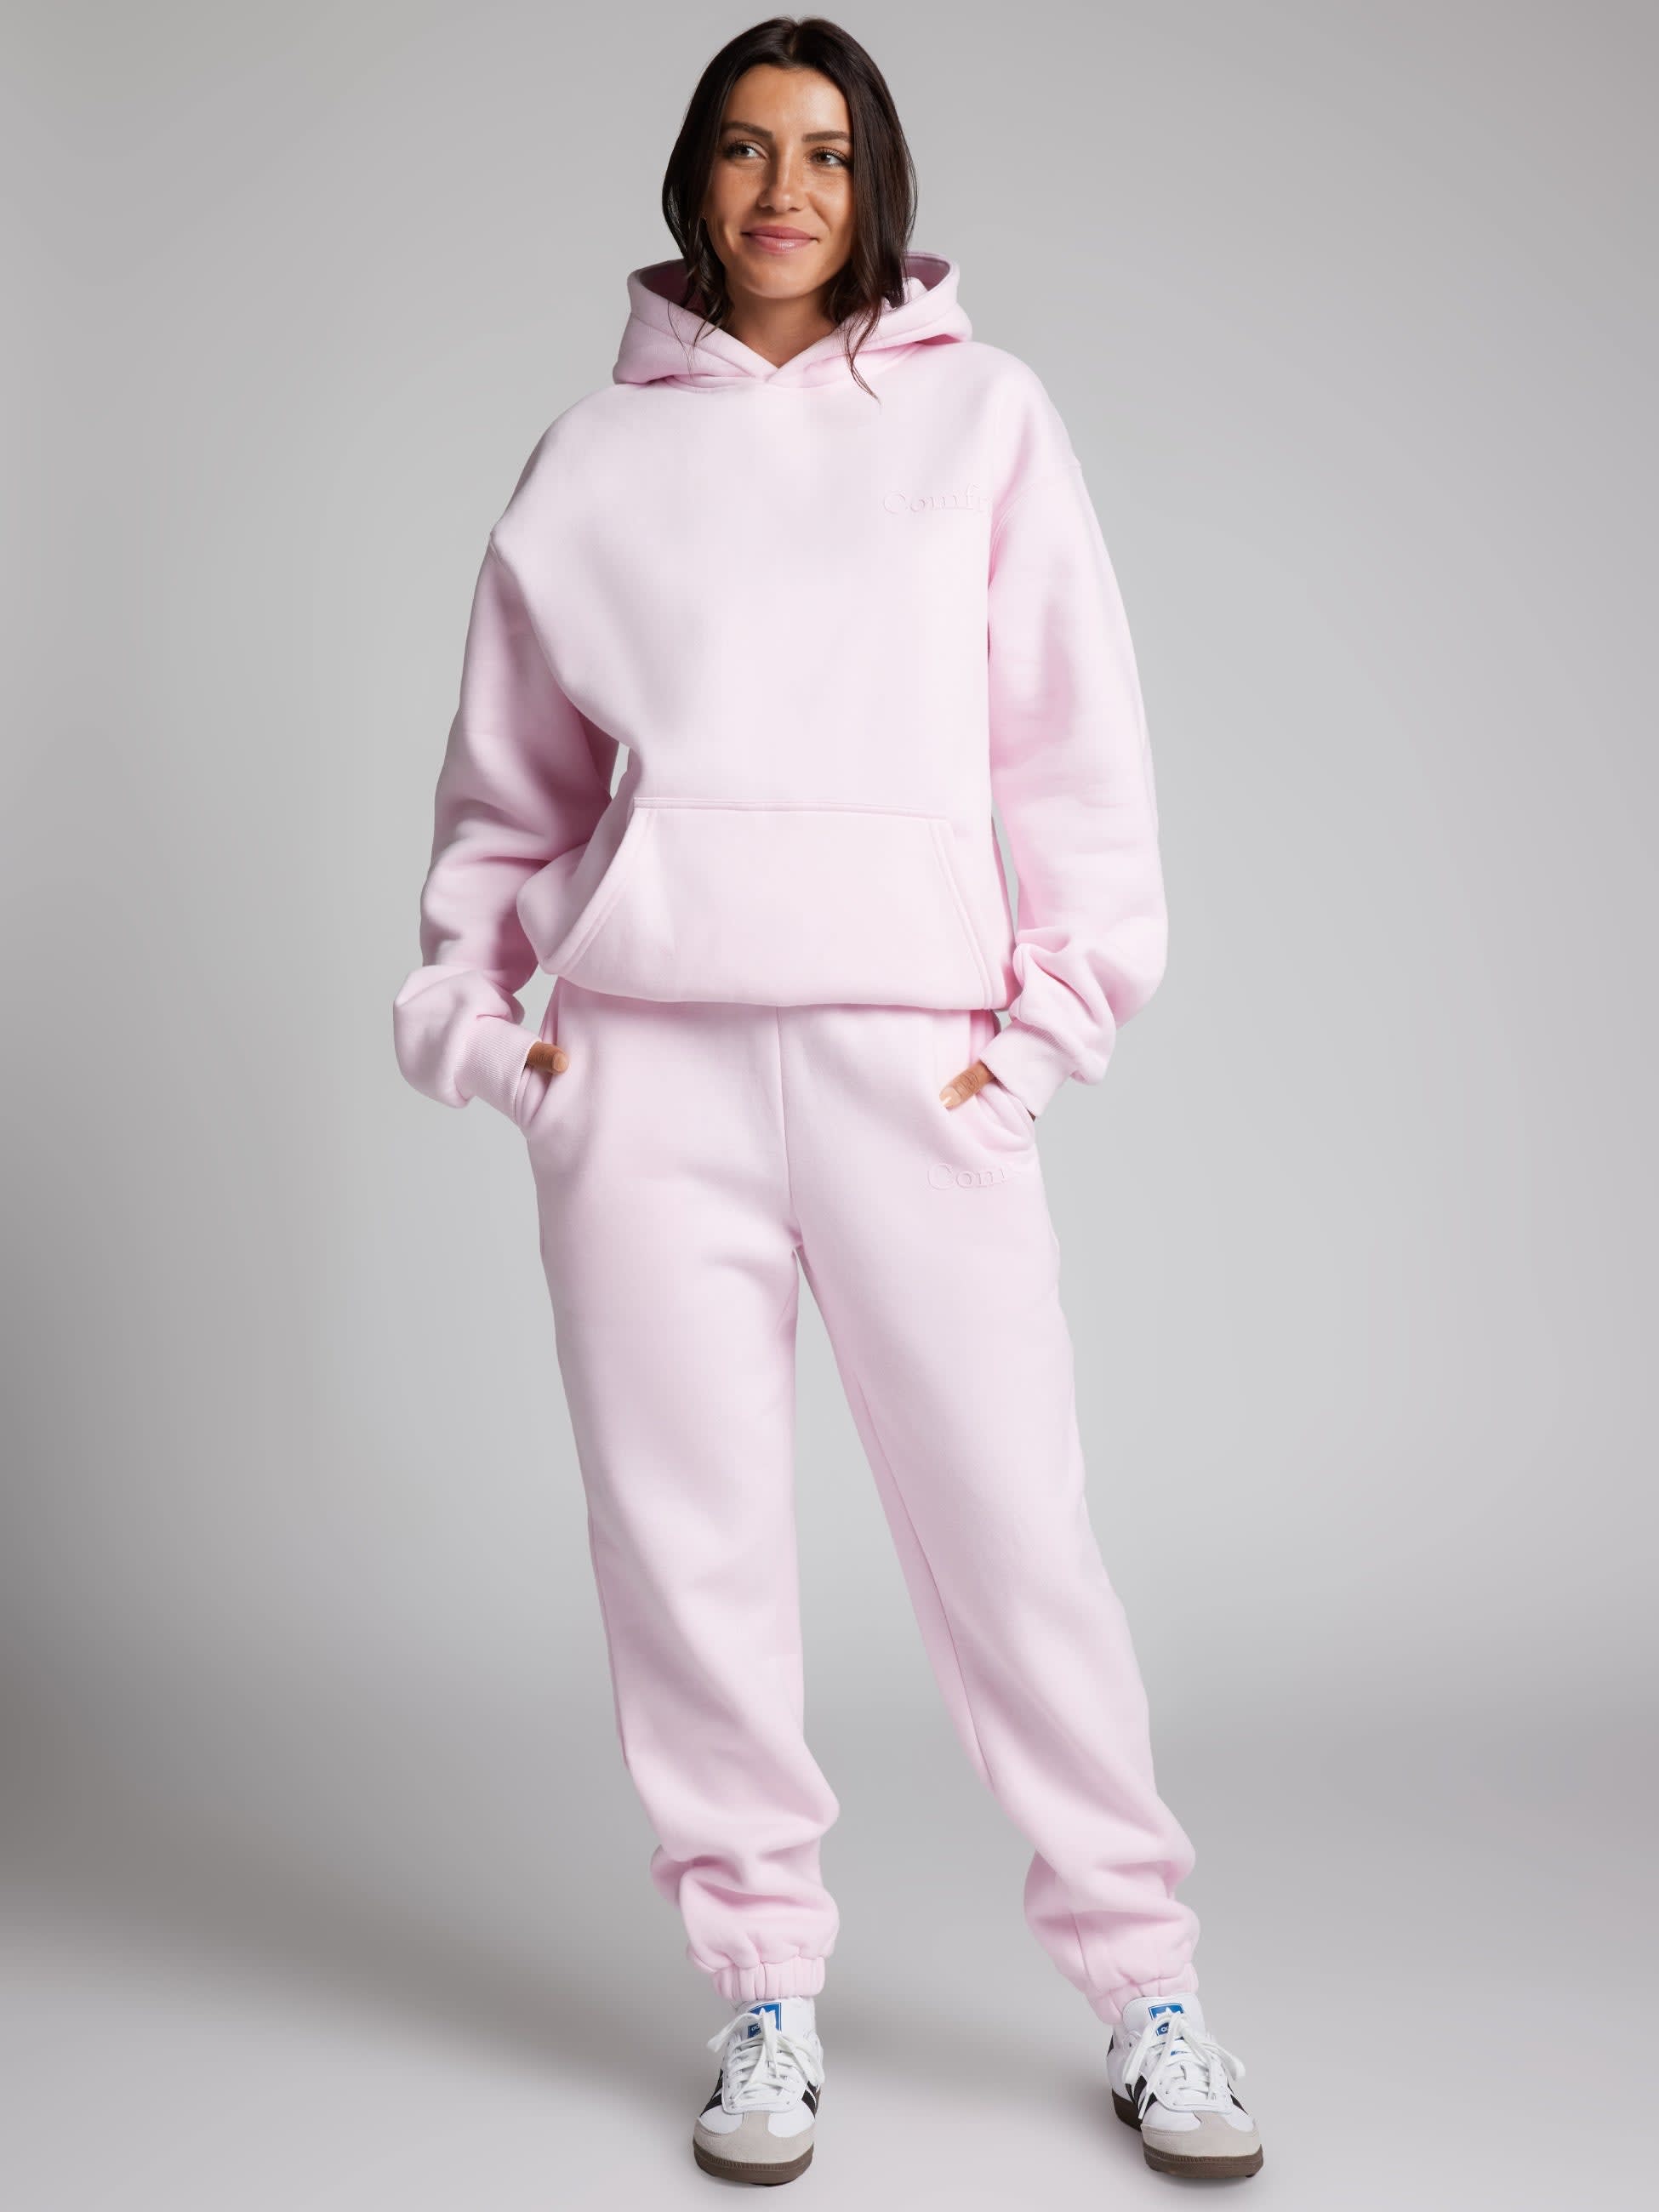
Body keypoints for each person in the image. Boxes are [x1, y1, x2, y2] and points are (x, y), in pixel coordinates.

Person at [391, 13, 1263, 2189]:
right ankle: (762, 1988)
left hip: (909, 1063)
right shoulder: (593, 459)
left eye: (828, 154)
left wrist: (1037, 1035)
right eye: (746, 149)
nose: (785, 192)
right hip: (647, 1075)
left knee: (1015, 1539)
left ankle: (1146, 1978)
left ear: (877, 185)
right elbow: (507, 793)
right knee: (686, 1555)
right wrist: (498, 1040)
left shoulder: (987, 419)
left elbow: (1075, 751)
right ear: (692, 178)